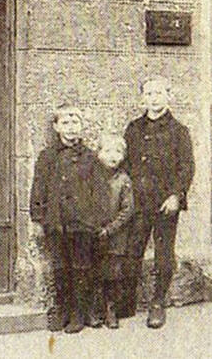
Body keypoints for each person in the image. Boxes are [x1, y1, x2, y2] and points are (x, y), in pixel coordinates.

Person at [122, 75, 194, 329]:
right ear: (143, 98)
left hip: (165, 204)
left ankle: (157, 302)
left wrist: (176, 195)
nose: (154, 98)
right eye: (149, 94)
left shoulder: (179, 131)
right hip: (138, 203)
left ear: (169, 96)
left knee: (164, 255)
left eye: (159, 93)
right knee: (132, 250)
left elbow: (186, 167)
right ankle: (126, 301)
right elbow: (125, 163)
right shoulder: (133, 129)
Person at [29, 104, 103, 334]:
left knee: (82, 268)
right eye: (66, 123)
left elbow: (99, 191)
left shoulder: (90, 157)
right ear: (56, 127)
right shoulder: (47, 156)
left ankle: (78, 313)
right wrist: (38, 218)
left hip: (82, 224)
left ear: (82, 127)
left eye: (75, 123)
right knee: (60, 268)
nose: (71, 128)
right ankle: (62, 310)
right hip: (56, 222)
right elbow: (38, 187)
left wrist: (95, 221)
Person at [93, 133, 135, 329]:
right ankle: (94, 310)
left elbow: (128, 210)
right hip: (94, 234)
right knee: (94, 271)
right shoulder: (91, 177)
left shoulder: (124, 180)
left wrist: (110, 229)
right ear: (99, 153)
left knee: (113, 273)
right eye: (108, 150)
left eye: (118, 151)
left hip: (116, 237)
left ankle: (111, 310)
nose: (113, 156)